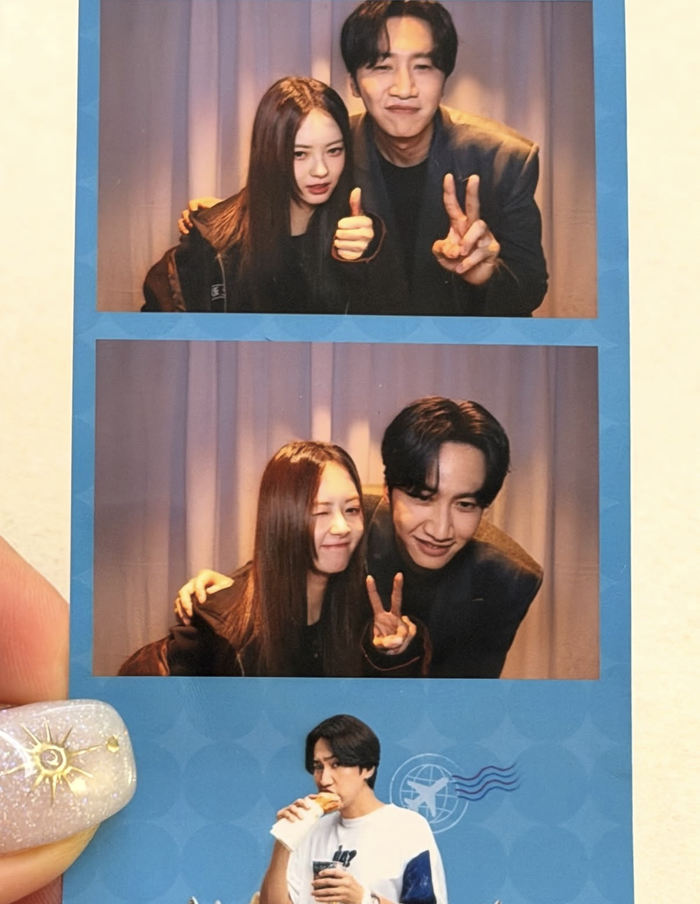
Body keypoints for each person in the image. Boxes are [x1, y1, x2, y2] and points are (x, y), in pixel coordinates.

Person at [181, 1, 547, 316]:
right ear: (354, 83)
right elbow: (275, 195)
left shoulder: (505, 160)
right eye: (381, 66)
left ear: (445, 78)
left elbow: (531, 287)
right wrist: (223, 216)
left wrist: (485, 275)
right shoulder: (333, 148)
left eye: (423, 67)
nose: (404, 89)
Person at [178, 398, 543, 678]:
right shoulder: (355, 522)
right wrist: (230, 591)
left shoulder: (507, 580)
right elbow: (285, 554)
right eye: (422, 497)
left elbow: (464, 705)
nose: (440, 530)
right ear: (387, 492)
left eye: (465, 504)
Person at [120, 441, 419, 677]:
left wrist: (389, 655)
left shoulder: (363, 608)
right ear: (282, 521)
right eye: (320, 512)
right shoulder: (221, 631)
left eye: (351, 510)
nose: (342, 527)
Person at [143, 76, 384, 314]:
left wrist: (364, 264)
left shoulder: (361, 237)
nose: (321, 170)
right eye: (299, 154)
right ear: (269, 153)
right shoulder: (211, 243)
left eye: (334, 151)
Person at [260, 714, 448, 904]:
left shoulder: (408, 828)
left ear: (368, 768)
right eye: (318, 766)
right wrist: (284, 840)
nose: (324, 780)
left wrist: (363, 899)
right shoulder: (308, 831)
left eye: (336, 764)